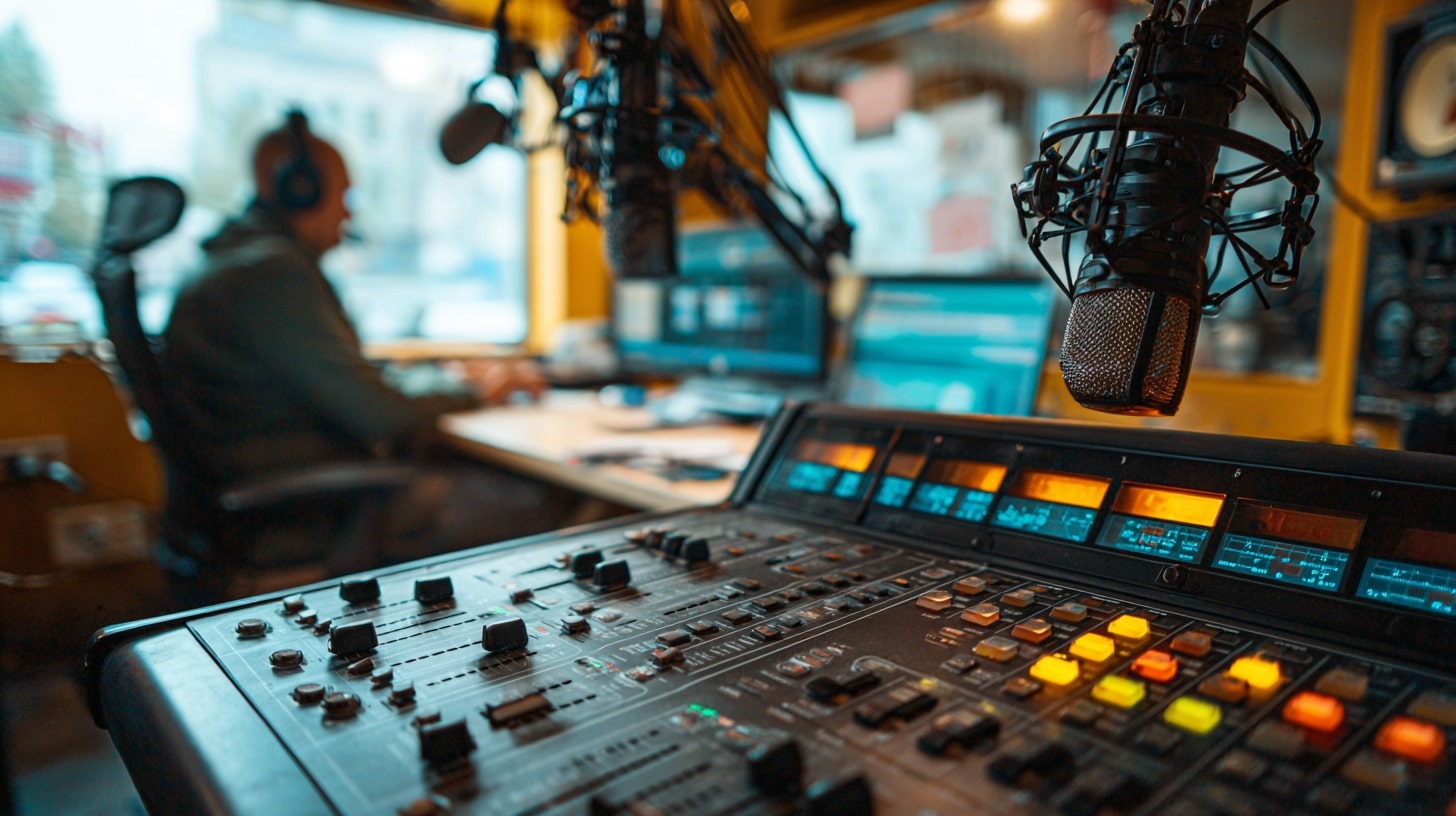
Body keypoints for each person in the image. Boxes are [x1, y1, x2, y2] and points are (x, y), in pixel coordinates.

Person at [161, 110, 563, 599]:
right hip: (307, 515)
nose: (349, 214)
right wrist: (473, 388)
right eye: (344, 196)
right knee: (547, 503)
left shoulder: (239, 264)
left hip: (275, 494)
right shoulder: (268, 274)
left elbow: (353, 383)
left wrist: (448, 379)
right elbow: (375, 411)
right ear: (301, 188)